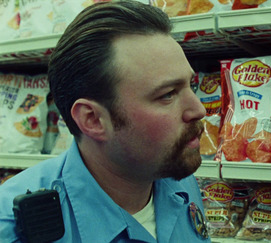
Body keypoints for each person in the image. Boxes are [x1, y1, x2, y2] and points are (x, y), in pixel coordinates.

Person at [0, 1, 211, 242]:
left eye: (190, 85)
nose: (199, 109)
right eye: (167, 95)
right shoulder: (12, 228)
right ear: (92, 120)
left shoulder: (179, 181)